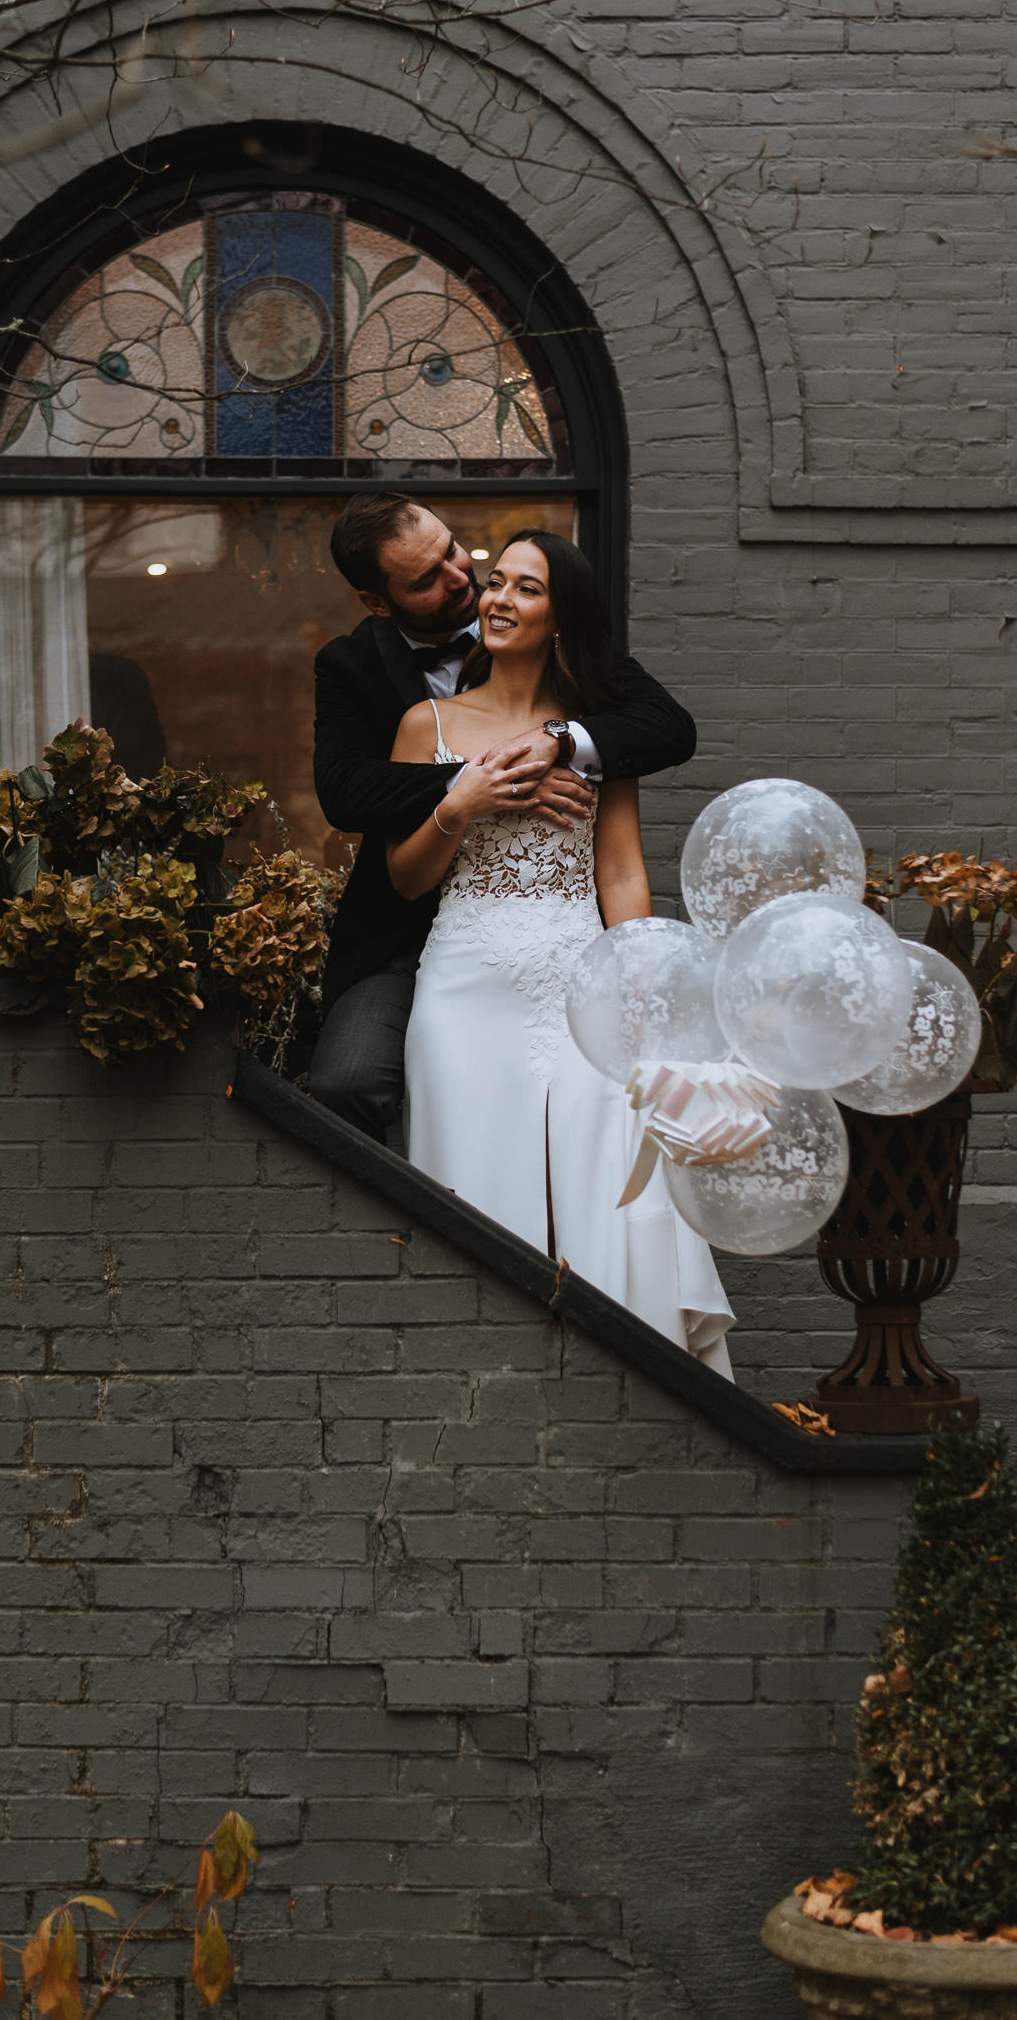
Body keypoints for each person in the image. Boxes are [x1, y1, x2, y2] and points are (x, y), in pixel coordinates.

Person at [387, 528, 734, 1375]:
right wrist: (457, 803)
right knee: (473, 1192)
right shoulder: (424, 722)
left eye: (526, 588)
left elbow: (618, 869)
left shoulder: (595, 735)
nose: (499, 599)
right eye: (494, 581)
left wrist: (640, 991)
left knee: (612, 1191)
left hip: (582, 984)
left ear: (561, 615)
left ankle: (629, 1389)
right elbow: (404, 880)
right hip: (463, 993)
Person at [309, 491, 697, 1140]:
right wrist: (488, 783)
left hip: (557, 928)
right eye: (428, 579)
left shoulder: (567, 662)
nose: (461, 578)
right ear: (380, 602)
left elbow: (667, 729)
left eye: (454, 551)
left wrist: (560, 742)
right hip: (408, 933)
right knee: (345, 1083)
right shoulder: (349, 667)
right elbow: (345, 792)